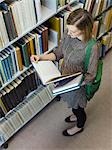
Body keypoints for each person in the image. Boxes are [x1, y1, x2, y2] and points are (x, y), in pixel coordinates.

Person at [30, 8, 101, 136]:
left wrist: (73, 83)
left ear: (84, 29)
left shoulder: (92, 47)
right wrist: (40, 57)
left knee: (78, 108)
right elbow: (59, 53)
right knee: (73, 105)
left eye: (73, 31)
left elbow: (91, 75)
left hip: (78, 86)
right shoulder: (68, 34)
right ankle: (75, 113)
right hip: (65, 78)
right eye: (68, 29)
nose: (68, 33)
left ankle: (79, 125)